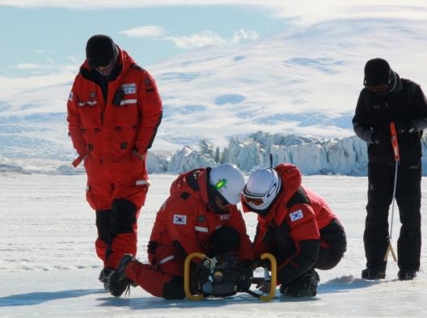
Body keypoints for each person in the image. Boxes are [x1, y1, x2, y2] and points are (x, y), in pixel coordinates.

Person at [67, 34, 163, 288]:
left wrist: (139, 151)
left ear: (115, 56)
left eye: (106, 64)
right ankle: (111, 264)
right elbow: (73, 118)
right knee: (104, 227)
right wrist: (83, 152)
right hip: (97, 170)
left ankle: (117, 269)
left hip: (128, 166)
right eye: (97, 65)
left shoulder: (138, 77)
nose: (101, 69)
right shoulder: (81, 81)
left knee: (123, 221)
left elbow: (153, 114)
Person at [107, 163, 255, 299]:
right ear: (214, 189)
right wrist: (204, 266)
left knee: (231, 237)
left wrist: (247, 264)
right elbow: (183, 243)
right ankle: (130, 268)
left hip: (200, 249)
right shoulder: (182, 201)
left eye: (230, 203)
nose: (227, 207)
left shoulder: (225, 203)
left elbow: (241, 235)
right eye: (224, 202)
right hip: (170, 250)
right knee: (176, 288)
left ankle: (205, 276)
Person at [352, 58, 427, 281]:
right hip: (379, 164)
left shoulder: (411, 90)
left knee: (409, 214)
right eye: (373, 88)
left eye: (381, 88)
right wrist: (373, 137)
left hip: (408, 163)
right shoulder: (366, 96)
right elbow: (358, 125)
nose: (377, 92)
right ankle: (375, 266)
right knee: (376, 214)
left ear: (390, 79)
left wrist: (410, 126)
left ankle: (408, 267)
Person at [242, 163, 347, 297]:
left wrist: (276, 279)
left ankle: (305, 279)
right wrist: (251, 262)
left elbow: (308, 252)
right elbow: (264, 235)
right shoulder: (274, 203)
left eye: (256, 202)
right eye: (248, 199)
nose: (251, 205)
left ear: (270, 194)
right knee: (272, 243)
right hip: (306, 241)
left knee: (281, 234)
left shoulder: (298, 208)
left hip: (328, 246)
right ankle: (294, 275)